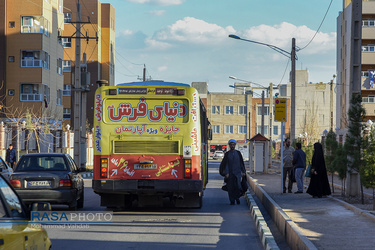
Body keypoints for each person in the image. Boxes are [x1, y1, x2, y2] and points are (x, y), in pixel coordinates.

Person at [219, 139, 246, 205]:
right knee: (230, 188)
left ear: (235, 145)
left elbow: (241, 163)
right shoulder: (227, 154)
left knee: (238, 187)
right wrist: (226, 173)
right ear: (229, 145)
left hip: (237, 173)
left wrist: (243, 171)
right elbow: (226, 164)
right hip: (230, 174)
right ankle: (232, 200)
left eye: (233, 144)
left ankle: (237, 198)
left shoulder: (238, 153)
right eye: (231, 144)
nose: (232, 146)